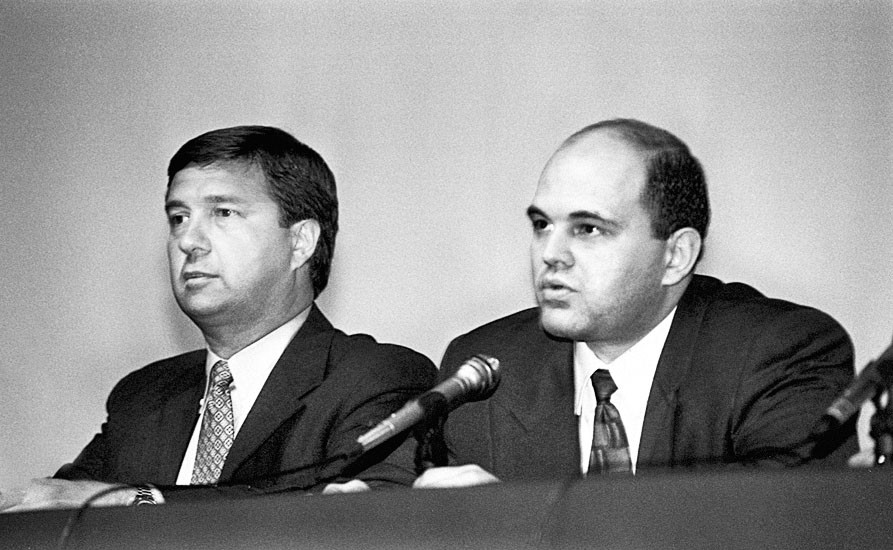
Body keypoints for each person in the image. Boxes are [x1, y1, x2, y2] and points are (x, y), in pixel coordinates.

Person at [3, 125, 436, 510]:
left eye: (223, 213)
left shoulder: (376, 377)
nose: (188, 240)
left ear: (300, 242)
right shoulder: (142, 398)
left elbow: (360, 511)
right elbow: (61, 508)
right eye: (178, 218)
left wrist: (137, 501)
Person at [415, 118, 857, 489]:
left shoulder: (780, 353)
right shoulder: (487, 371)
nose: (551, 253)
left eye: (588, 229)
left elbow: (774, 524)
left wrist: (518, 522)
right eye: (542, 225)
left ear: (675, 256)